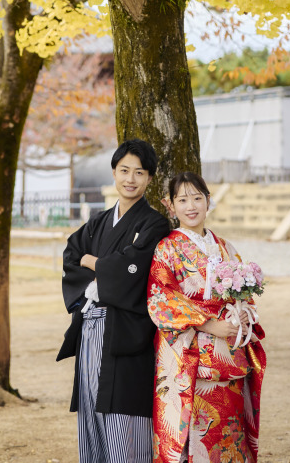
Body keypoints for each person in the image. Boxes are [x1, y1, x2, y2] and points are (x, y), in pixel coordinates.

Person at [58, 139, 170, 463]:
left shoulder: (154, 224)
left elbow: (130, 270)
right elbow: (71, 254)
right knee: (91, 424)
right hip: (90, 331)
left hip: (126, 335)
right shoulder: (98, 222)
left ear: (149, 178)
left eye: (139, 172)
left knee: (124, 426)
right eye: (124, 170)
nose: (130, 179)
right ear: (114, 172)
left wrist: (94, 263)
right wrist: (108, 266)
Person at [147, 172, 267, 463]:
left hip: (230, 353)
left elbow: (243, 295)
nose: (191, 206)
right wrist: (209, 324)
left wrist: (241, 314)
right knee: (196, 435)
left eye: (197, 198)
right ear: (170, 205)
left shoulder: (225, 247)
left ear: (208, 201)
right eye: (183, 199)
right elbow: (160, 298)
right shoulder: (167, 249)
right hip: (192, 358)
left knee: (230, 432)